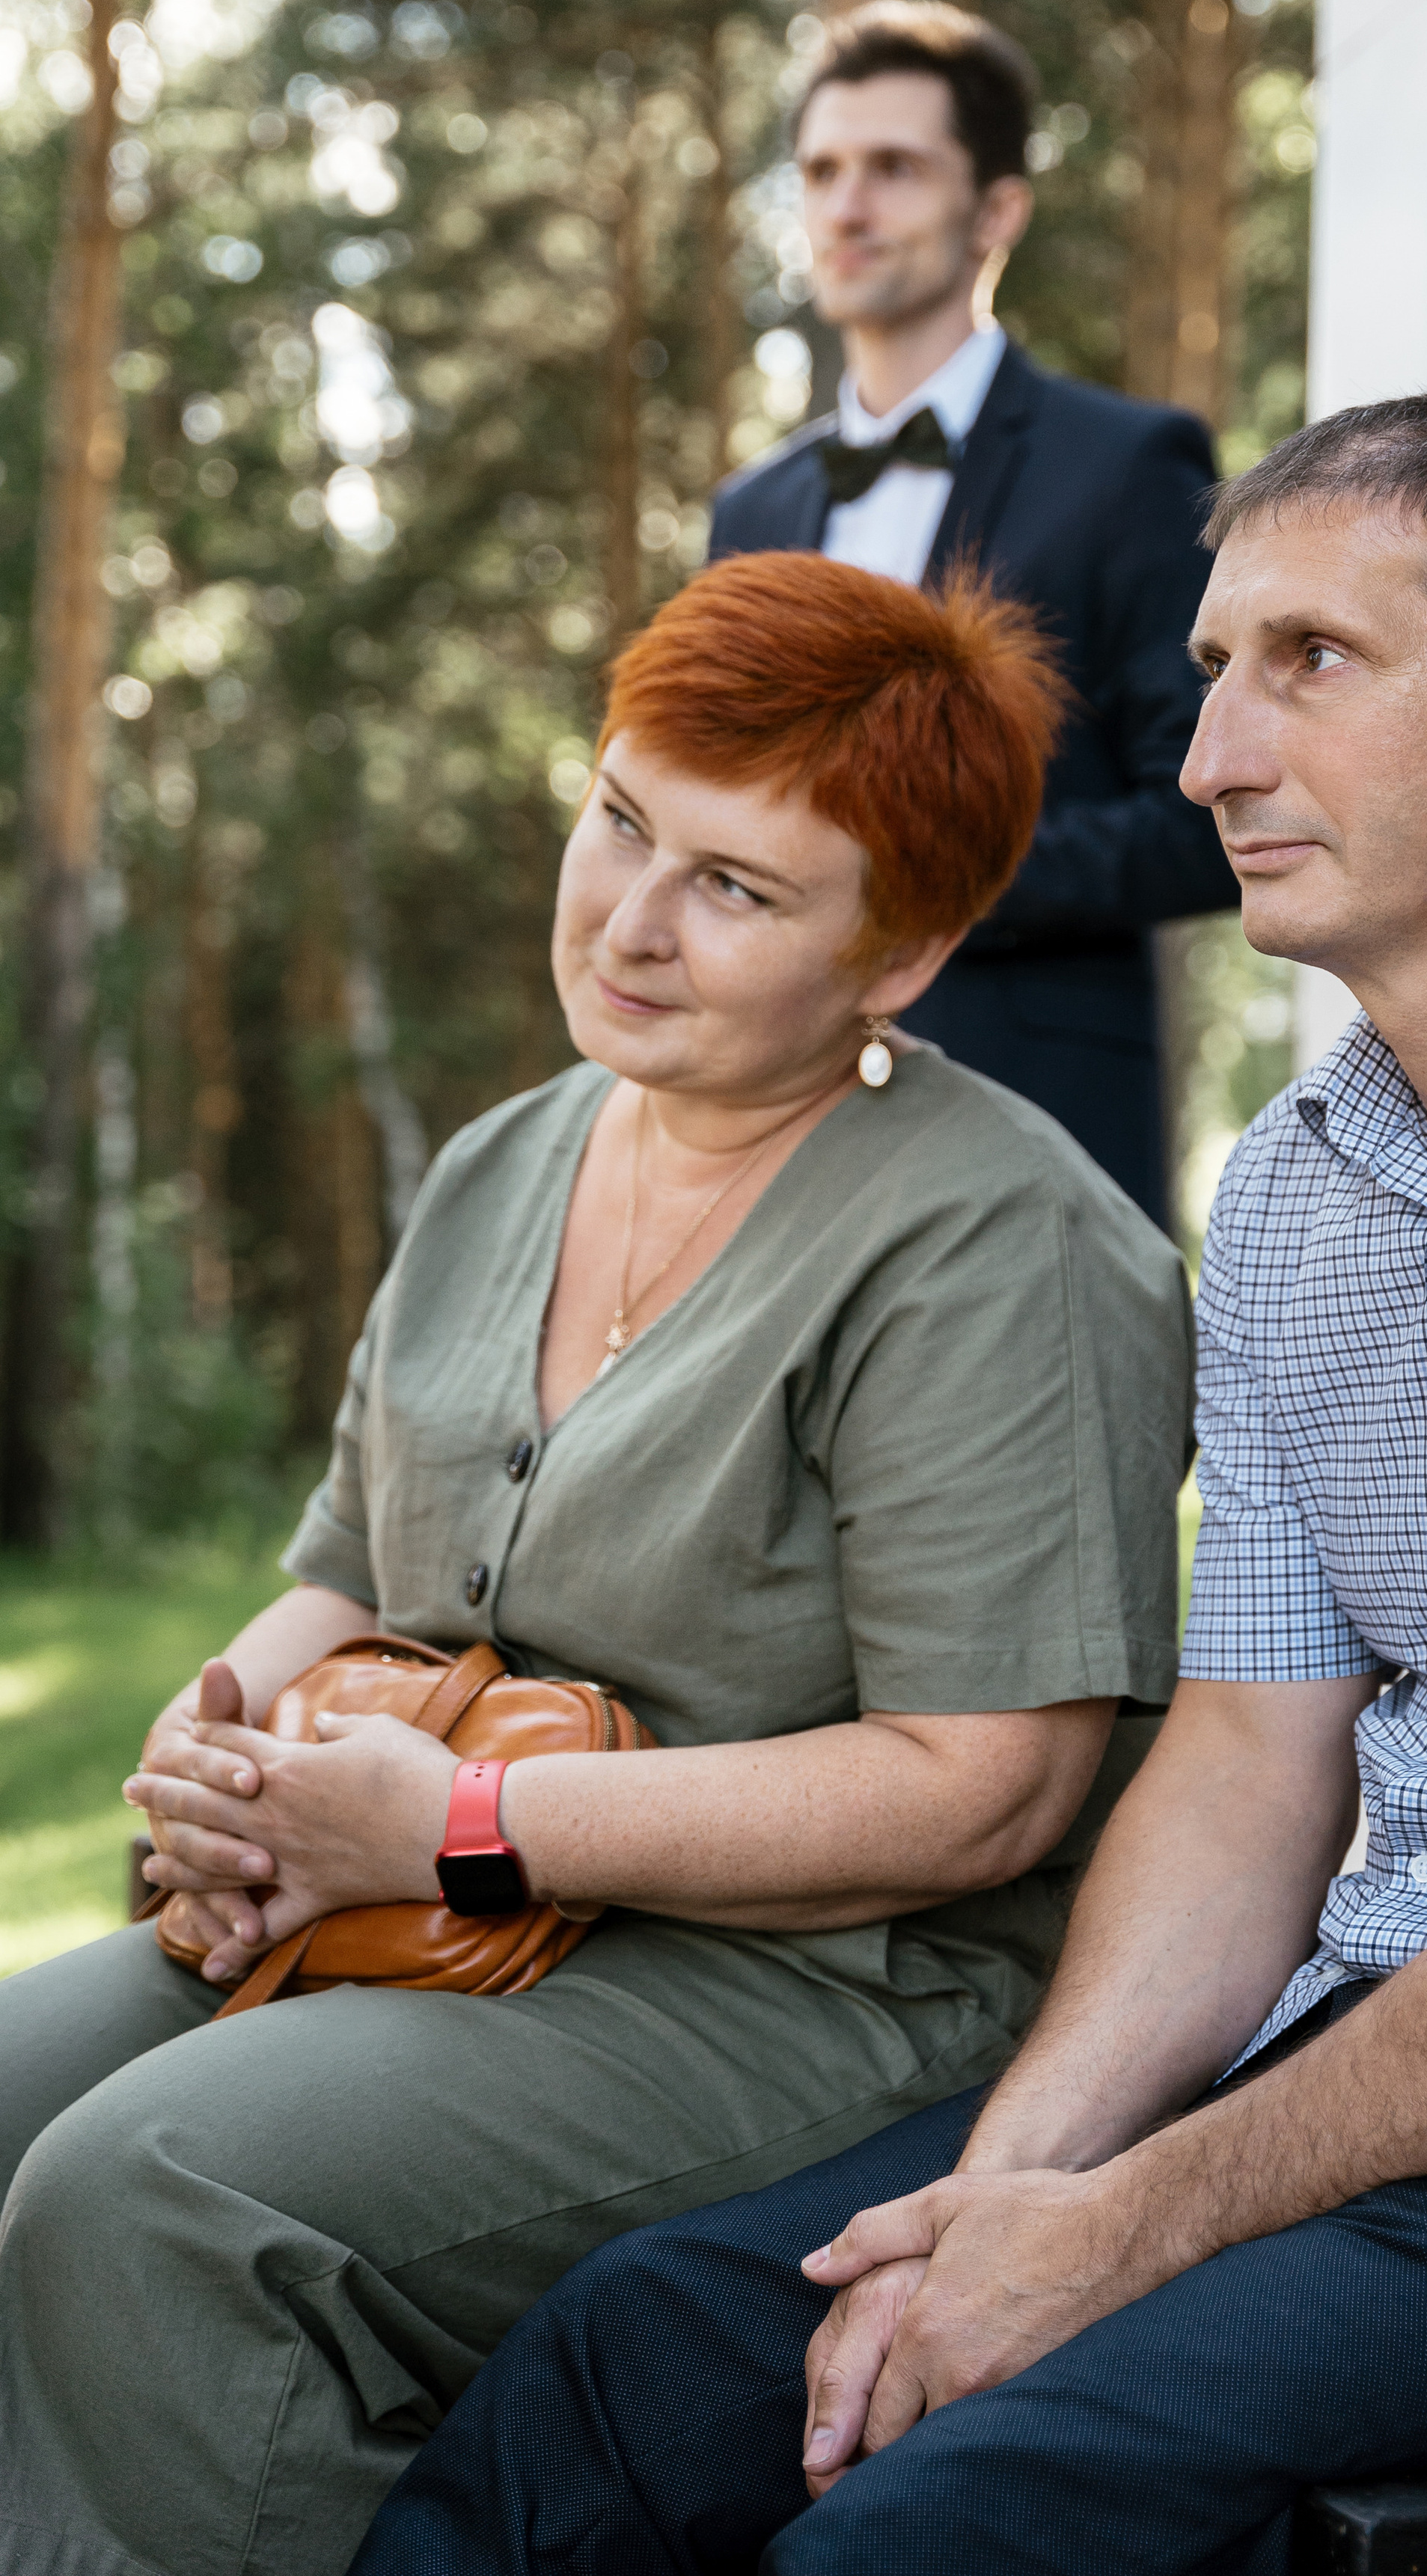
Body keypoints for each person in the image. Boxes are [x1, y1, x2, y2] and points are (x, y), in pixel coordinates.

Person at [352, 393, 1427, 2576]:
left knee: (948, 2520)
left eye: (1312, 662)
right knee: (630, 2370)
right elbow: (1250, 1763)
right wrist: (1014, 2187)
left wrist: (1124, 2231)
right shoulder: (1287, 1195)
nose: (1206, 762)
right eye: (1211, 671)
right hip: (1377, 2048)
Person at [0, 551, 1195, 2576]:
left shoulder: (1005, 1247)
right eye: (622, 820)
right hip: (417, 1899)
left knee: (157, 2191)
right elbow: (351, 1578)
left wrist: (465, 1827)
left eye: (734, 886)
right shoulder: (511, 1159)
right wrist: (215, 1766)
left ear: (900, 956)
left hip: (818, 1982)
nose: (629, 920)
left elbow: (985, 1784)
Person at [708, 0, 1239, 1225]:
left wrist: (909, 883)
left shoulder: (1127, 465)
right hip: (769, 1131)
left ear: (996, 210)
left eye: (894, 168)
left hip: (1030, 1119)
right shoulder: (752, 509)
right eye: (823, 172)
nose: (847, 207)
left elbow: (1208, 817)